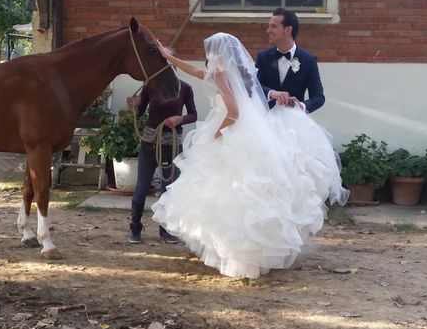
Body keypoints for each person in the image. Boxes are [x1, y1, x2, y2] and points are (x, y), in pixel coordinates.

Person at [152, 33, 348, 279]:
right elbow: (196, 71)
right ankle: (250, 256)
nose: (207, 57)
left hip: (232, 133)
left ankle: (237, 255)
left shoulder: (223, 74)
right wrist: (170, 58)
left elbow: (233, 111)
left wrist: (218, 134)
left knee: (232, 195)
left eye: (210, 52)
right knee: (245, 196)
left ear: (218, 54)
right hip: (249, 133)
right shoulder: (238, 72)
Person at [127, 79, 197, 244]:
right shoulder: (150, 86)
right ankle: (134, 226)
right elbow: (140, 112)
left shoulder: (185, 88)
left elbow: (193, 114)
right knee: (142, 186)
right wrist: (133, 107)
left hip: (172, 145)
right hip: (150, 143)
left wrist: (179, 119)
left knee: (168, 188)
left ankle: (165, 229)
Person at [256, 8, 325, 114]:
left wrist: (301, 106)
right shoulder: (263, 57)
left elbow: (318, 97)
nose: (268, 30)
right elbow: (255, 86)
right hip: (266, 121)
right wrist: (272, 93)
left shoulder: (308, 60)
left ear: (288, 30)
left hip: (294, 121)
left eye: (273, 26)